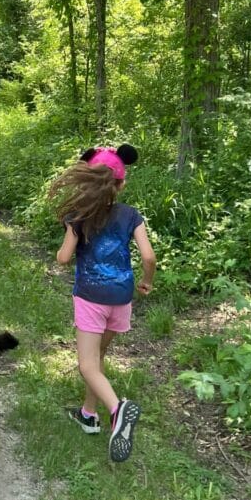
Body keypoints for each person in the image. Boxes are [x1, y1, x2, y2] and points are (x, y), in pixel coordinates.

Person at [50, 145, 156, 463]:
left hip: (91, 298)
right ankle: (88, 414)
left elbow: (64, 258)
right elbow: (149, 257)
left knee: (87, 365)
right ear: (120, 184)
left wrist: (70, 234)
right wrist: (147, 280)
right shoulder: (130, 214)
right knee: (98, 357)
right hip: (121, 297)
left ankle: (116, 409)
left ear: (87, 182)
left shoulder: (79, 217)